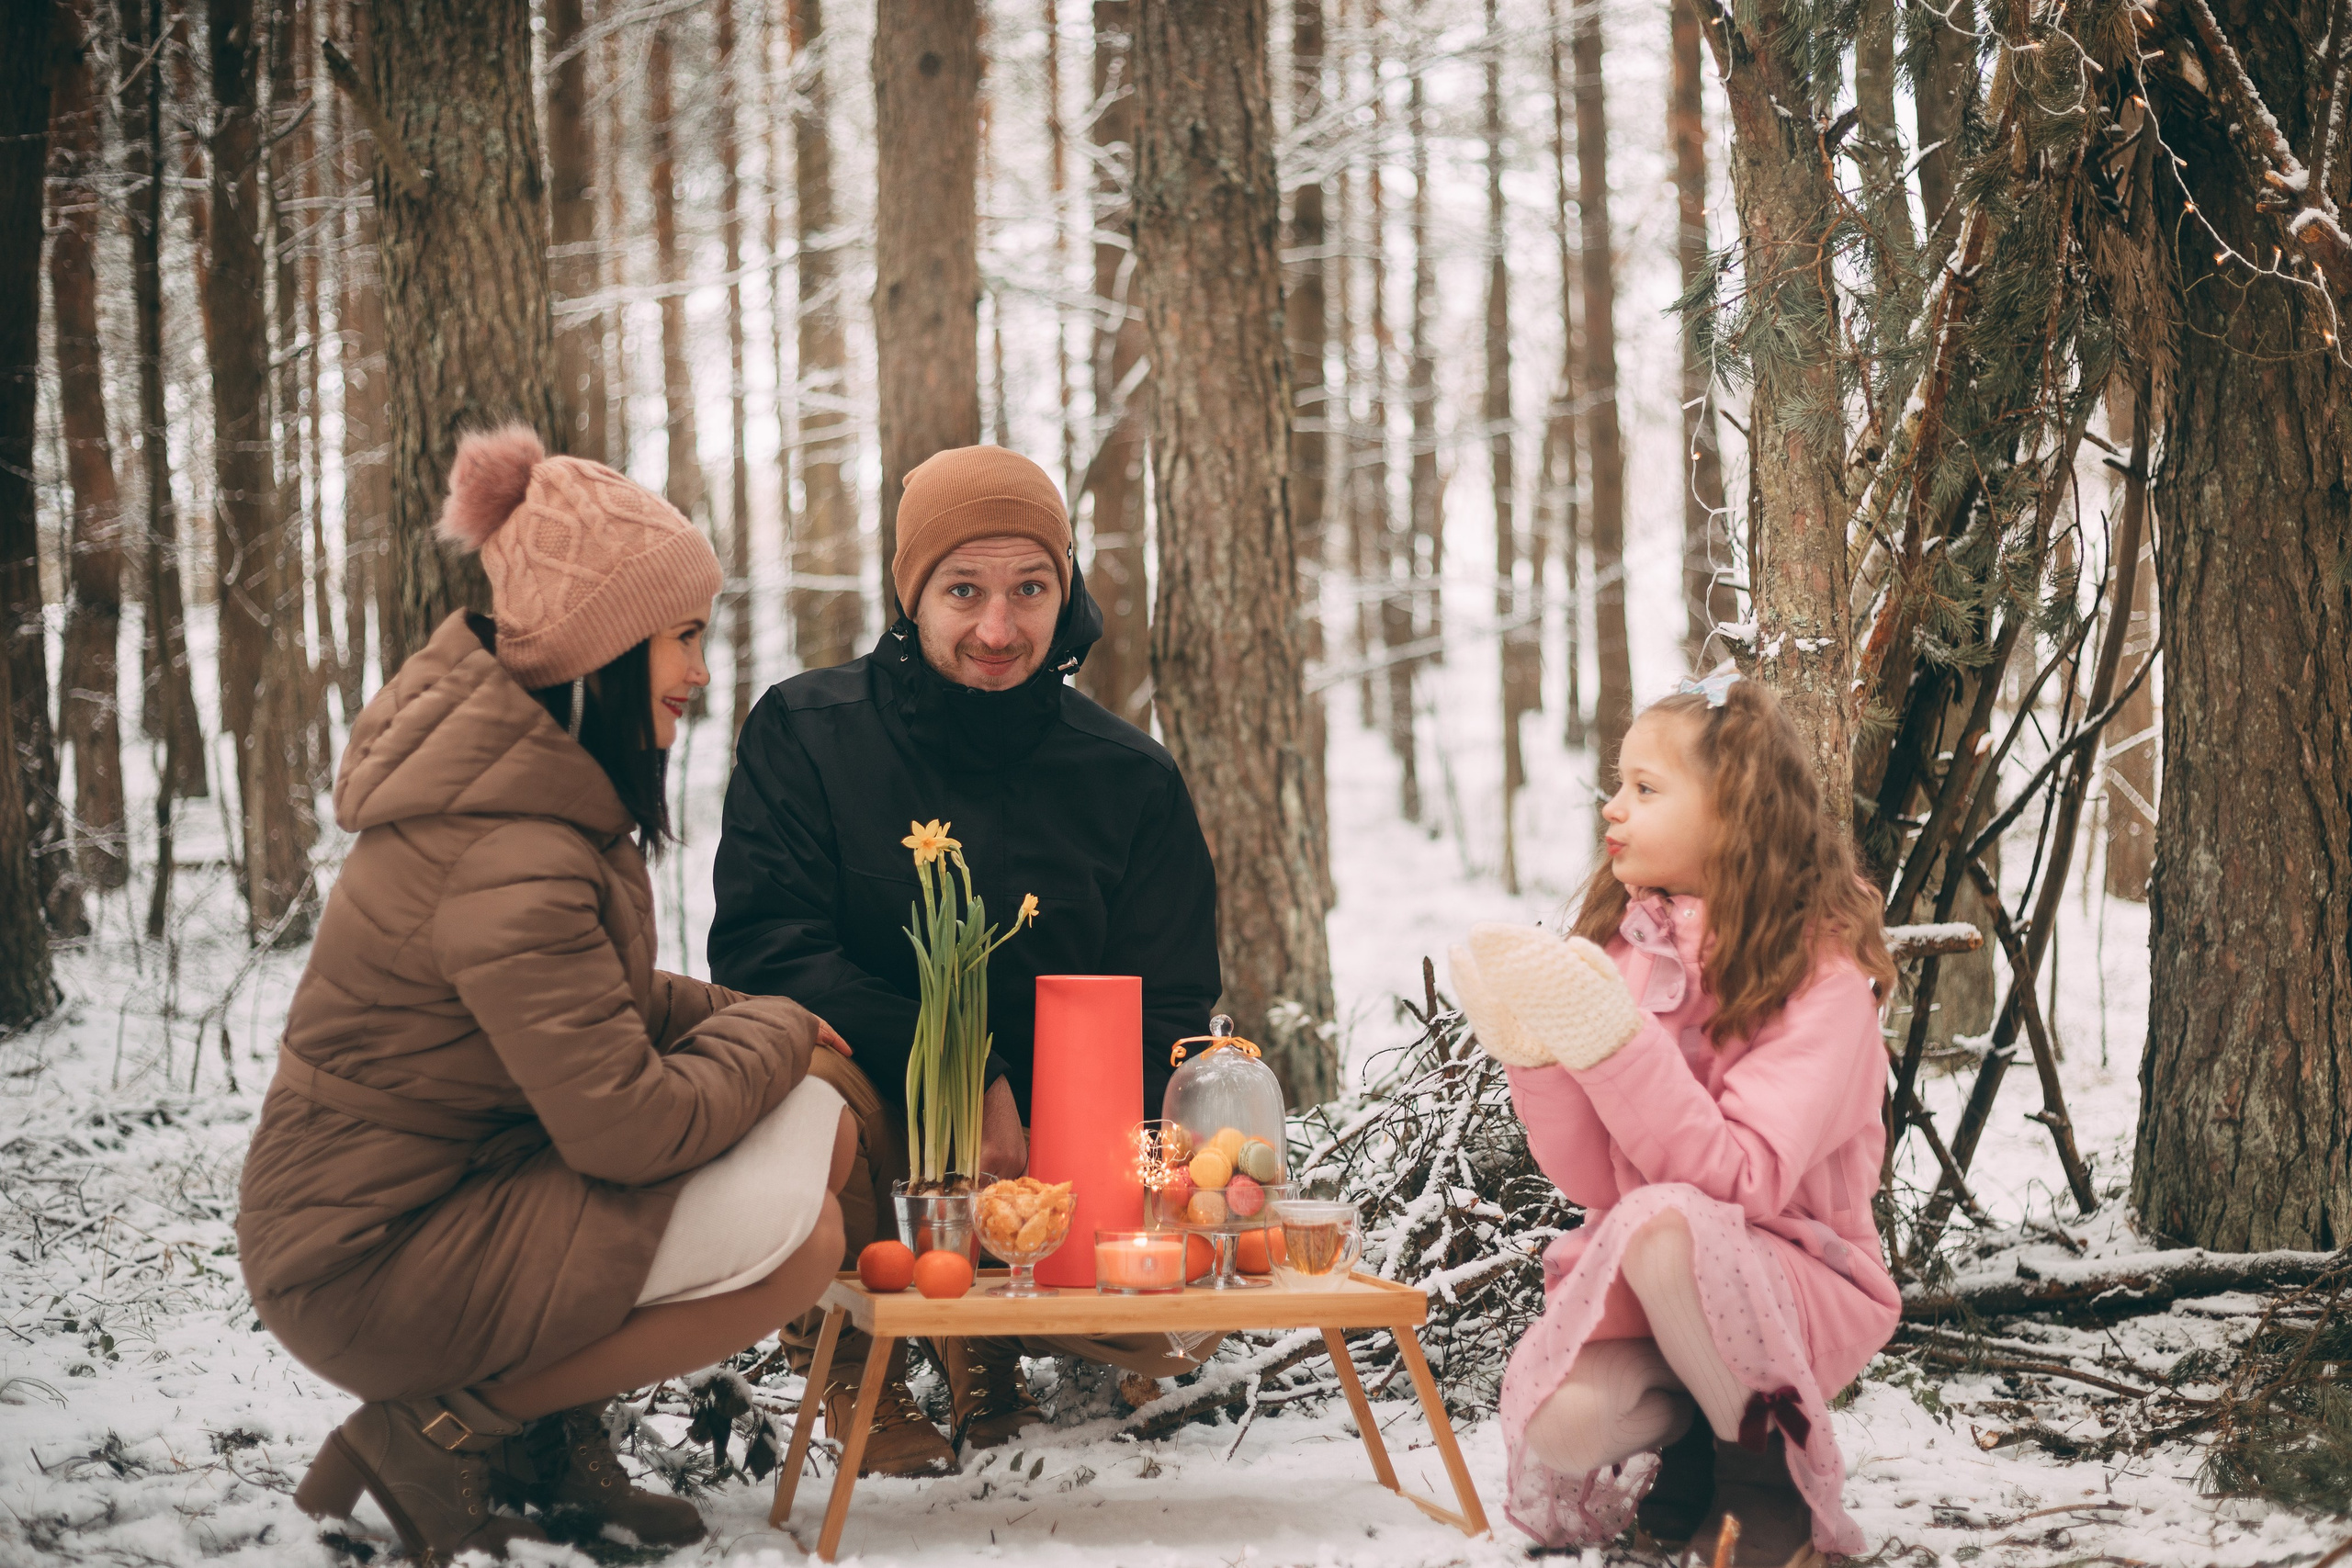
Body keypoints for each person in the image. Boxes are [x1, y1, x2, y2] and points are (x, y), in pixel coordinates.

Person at [238, 427, 856, 1563]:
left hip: (429, 1203)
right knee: (800, 1237)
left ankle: (536, 1437)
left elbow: (588, 1000)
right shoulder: (509, 846)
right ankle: (436, 1430)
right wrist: (774, 1031)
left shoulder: (536, 804)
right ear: (602, 648)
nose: (701, 672)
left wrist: (728, 1019)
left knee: (809, 1135)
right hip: (365, 1257)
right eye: (681, 638)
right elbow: (630, 1127)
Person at [709, 444, 1223, 1476]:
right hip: (872, 1099)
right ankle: (855, 1354)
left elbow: (1169, 998)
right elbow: (766, 951)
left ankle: (985, 1342)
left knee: (1168, 1328)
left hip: (1054, 1147)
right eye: (964, 590)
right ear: (912, 594)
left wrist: (1110, 1159)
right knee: (794, 1071)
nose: (998, 629)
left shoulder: (1129, 777)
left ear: (1063, 589)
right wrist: (965, 1069)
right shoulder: (808, 735)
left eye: (1030, 589)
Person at [1447, 676, 1900, 1568]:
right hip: (1654, 1274)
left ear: (1735, 815)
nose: (1613, 807)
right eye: (1618, 783)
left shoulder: (1824, 977)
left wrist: (1618, 1046)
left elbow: (1739, 1182)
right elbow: (1592, 1184)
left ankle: (1767, 1487)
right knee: (1564, 1420)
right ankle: (1693, 1454)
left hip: (1799, 1278)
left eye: (1646, 789)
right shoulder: (1632, 948)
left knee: (1665, 1225)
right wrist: (1539, 1059)